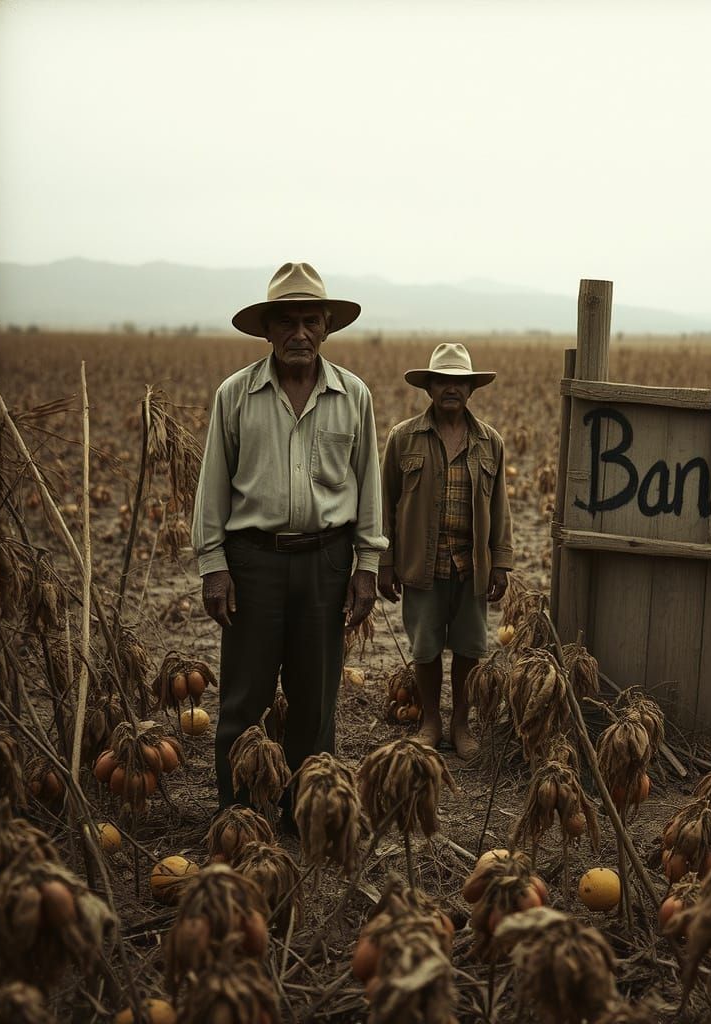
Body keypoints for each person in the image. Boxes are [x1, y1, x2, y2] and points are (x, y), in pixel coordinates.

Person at [192, 261, 386, 815]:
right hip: (253, 563)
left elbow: (368, 482)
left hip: (326, 562)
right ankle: (240, 816)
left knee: (315, 701)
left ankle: (305, 813)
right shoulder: (236, 395)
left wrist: (367, 565)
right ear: (268, 330)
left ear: (326, 327)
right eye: (287, 322)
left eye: (310, 321)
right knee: (243, 699)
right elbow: (213, 487)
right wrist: (213, 564)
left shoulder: (354, 396)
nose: (299, 333)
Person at [378, 343, 514, 758]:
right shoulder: (404, 439)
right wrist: (384, 561)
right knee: (426, 647)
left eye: (459, 382)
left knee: (470, 647)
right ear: (429, 388)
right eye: (442, 381)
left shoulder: (490, 442)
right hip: (423, 562)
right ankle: (430, 721)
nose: (450, 389)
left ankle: (461, 723)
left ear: (471, 389)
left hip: (471, 564)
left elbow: (500, 507)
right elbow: (385, 503)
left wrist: (501, 562)